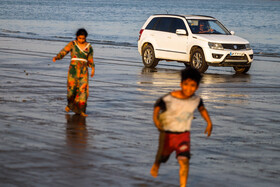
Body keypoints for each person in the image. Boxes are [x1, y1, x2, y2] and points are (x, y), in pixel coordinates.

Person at [150, 67, 213, 187]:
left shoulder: (196, 100)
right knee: (163, 157)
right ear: (181, 84)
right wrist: (156, 120)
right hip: (167, 134)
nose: (189, 88)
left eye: (192, 85)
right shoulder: (170, 97)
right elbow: (157, 106)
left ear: (197, 87)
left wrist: (209, 123)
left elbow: (202, 109)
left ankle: (183, 185)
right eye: (186, 84)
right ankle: (157, 164)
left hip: (183, 135)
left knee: (184, 161)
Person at [53, 28, 95, 117]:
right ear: (77, 37)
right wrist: (57, 57)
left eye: (83, 38)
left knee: (83, 90)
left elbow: (90, 59)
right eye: (80, 38)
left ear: (85, 38)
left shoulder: (89, 47)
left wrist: (92, 68)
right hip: (73, 71)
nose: (81, 40)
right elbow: (64, 51)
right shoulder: (72, 44)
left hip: (84, 71)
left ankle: (82, 110)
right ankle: (70, 105)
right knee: (71, 90)